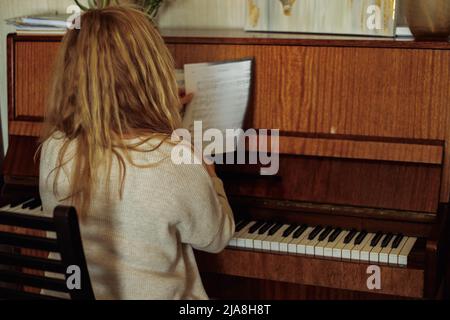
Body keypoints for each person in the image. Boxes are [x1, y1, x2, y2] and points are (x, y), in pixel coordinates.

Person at [39, 5, 235, 300]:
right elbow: (217, 236)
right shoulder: (173, 159)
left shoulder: (55, 146)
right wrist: (211, 175)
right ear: (151, 73)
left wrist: (159, 120)